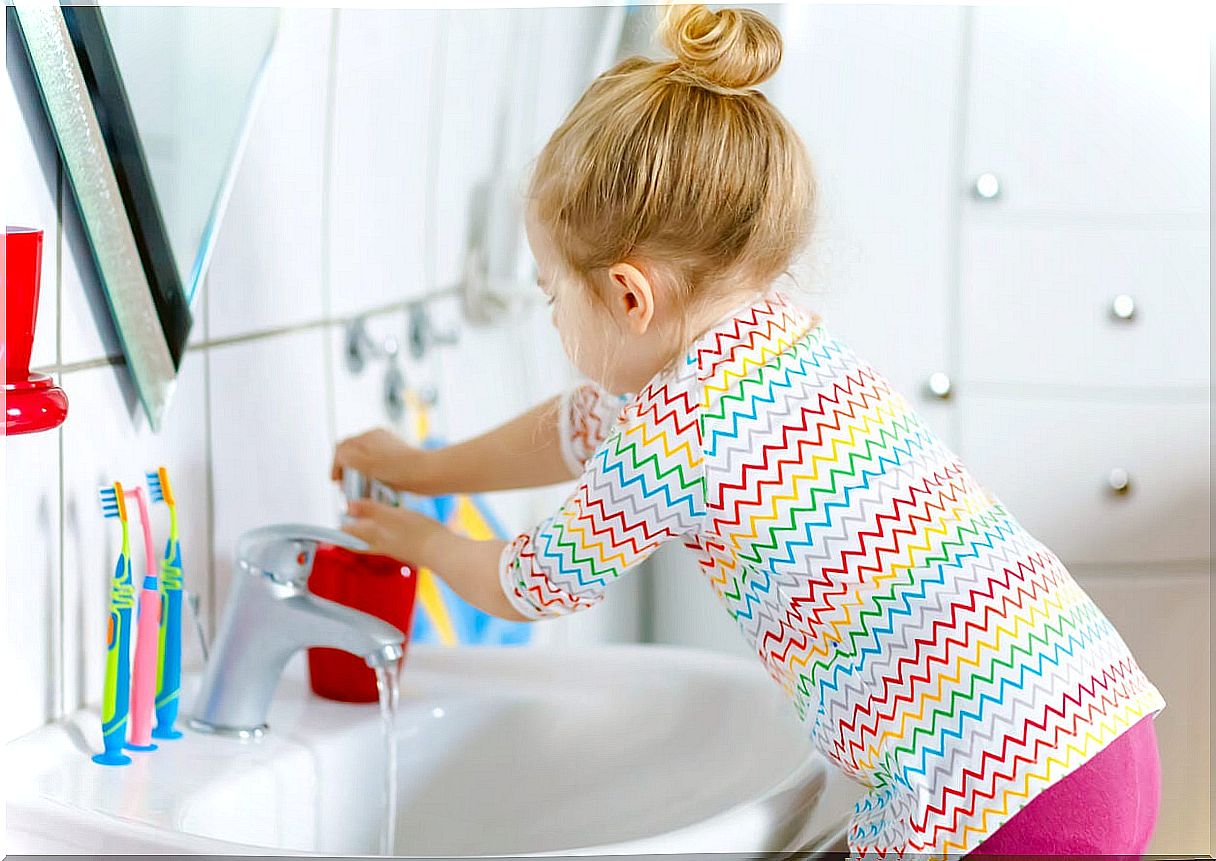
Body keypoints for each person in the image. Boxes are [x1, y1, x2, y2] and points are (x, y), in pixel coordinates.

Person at [332, 5, 1164, 856]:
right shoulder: (773, 342)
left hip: (1002, 791)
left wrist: (411, 538)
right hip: (1092, 720)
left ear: (628, 295)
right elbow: (576, 430)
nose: (551, 320)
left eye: (551, 295)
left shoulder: (674, 434)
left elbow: (530, 583)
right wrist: (421, 468)